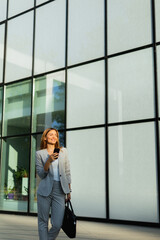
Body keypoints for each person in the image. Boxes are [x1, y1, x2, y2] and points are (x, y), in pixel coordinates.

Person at [36, 128, 71, 240]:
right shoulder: (39, 153)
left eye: (55, 135)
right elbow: (41, 174)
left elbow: (67, 172)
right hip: (44, 190)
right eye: (50, 135)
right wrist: (48, 161)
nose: (53, 137)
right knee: (43, 221)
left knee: (57, 224)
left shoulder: (63, 151)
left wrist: (69, 190)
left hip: (60, 190)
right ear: (45, 138)